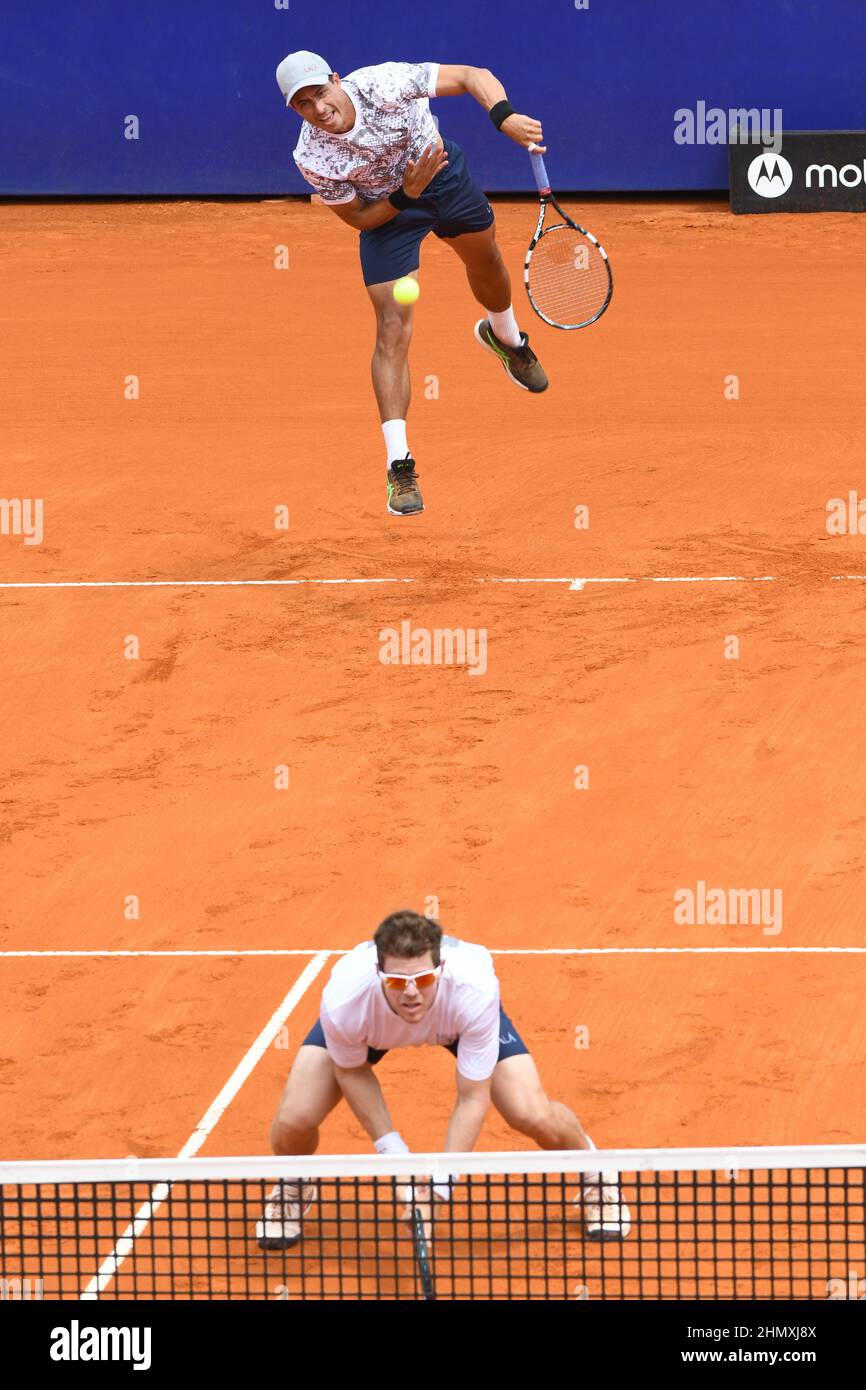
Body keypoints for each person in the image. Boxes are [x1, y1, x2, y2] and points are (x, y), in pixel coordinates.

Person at [276, 51, 551, 516]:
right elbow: (360, 219)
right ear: (295, 111)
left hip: (444, 180)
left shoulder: (383, 84)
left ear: (336, 81)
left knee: (486, 262)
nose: (318, 109)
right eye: (303, 104)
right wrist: (406, 194)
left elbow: (471, 74)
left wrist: (504, 118)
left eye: (320, 93)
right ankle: (399, 465)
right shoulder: (312, 155)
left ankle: (506, 338)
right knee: (391, 328)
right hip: (389, 212)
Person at [257, 909, 631, 1248]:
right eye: (397, 982)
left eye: (423, 978)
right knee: (294, 1119)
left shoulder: (474, 991)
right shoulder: (345, 1002)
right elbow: (352, 1071)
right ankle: (294, 1180)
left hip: (455, 1023)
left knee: (530, 1113)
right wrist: (398, 1162)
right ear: (378, 973)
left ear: (441, 968)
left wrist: (438, 1189)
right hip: (373, 1029)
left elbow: (472, 1097)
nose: (412, 993)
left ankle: (595, 1169)